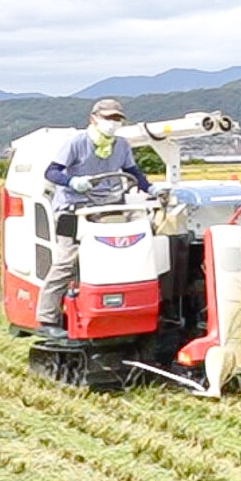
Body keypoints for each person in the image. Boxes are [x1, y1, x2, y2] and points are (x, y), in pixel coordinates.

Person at [36, 97, 153, 335]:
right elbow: (52, 172)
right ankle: (47, 318)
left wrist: (151, 189)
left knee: (128, 252)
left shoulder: (121, 145)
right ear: (94, 119)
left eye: (117, 118)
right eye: (108, 118)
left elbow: (133, 172)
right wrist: (73, 181)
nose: (112, 123)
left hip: (109, 208)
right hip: (75, 209)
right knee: (68, 261)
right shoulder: (77, 143)